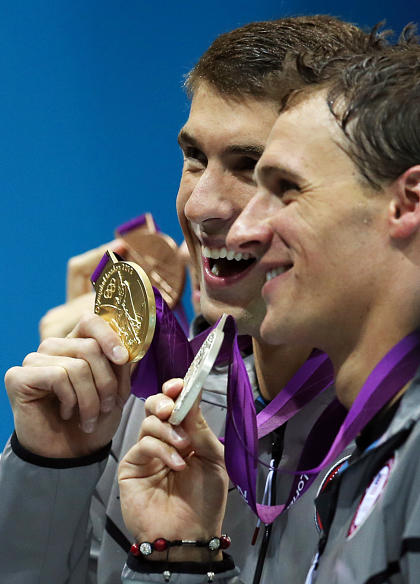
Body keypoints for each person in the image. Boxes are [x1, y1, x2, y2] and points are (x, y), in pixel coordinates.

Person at [1, 16, 385, 584]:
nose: (202, 205)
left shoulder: (397, 428)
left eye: (252, 168)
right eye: (194, 158)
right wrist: (54, 464)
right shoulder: (151, 407)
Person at [118, 43, 420, 583]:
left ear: (407, 203)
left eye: (284, 188)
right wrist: (183, 559)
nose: (244, 227)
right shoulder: (380, 445)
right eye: (194, 159)